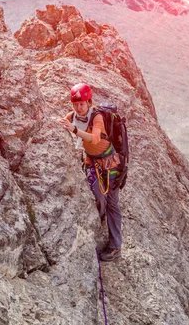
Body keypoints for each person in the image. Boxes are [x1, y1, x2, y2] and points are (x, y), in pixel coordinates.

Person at [58, 83, 122, 262]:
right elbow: (62, 122)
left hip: (110, 164)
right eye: (76, 104)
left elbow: (94, 139)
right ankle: (98, 221)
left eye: (82, 104)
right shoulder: (74, 116)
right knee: (98, 197)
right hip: (92, 163)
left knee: (112, 203)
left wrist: (75, 130)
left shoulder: (97, 117)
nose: (79, 108)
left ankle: (116, 246)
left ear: (89, 102)